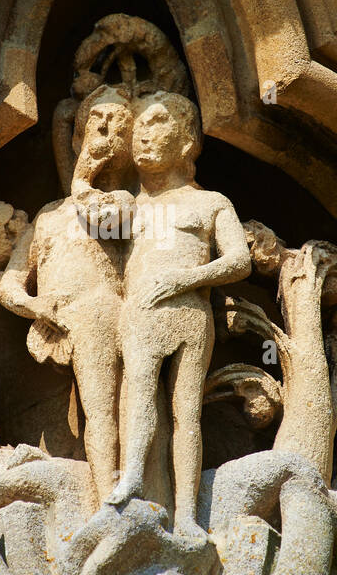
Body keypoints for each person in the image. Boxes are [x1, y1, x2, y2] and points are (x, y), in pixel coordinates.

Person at [107, 92, 251, 536]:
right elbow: (81, 208)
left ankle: (187, 514)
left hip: (190, 312)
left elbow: (239, 260)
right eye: (139, 127)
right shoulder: (130, 205)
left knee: (186, 410)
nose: (143, 135)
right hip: (142, 312)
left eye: (157, 123)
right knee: (139, 393)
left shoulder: (209, 203)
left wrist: (185, 280)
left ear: (187, 140)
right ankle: (131, 477)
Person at [0, 87, 133, 506]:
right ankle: (107, 495)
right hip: (60, 323)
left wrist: (80, 180)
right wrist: (35, 305)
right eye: (96, 124)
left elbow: (107, 221)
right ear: (76, 139)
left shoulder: (125, 202)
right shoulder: (48, 217)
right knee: (98, 413)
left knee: (107, 412)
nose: (105, 134)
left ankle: (111, 497)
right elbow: (9, 284)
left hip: (102, 315)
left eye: (117, 127)